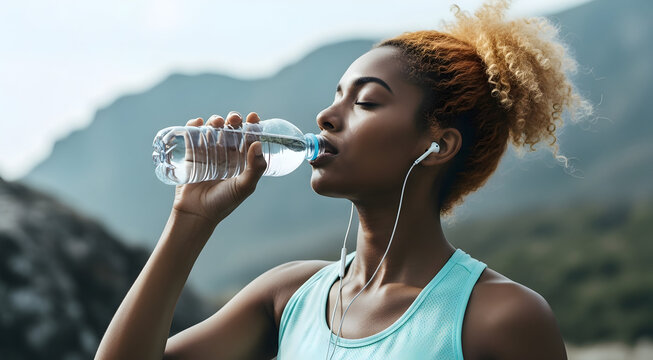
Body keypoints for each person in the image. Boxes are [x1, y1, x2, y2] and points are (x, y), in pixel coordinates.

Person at [96, 1, 591, 359]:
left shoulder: (498, 317)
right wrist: (191, 219)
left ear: (437, 146)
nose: (326, 116)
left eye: (367, 102)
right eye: (335, 97)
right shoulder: (289, 296)